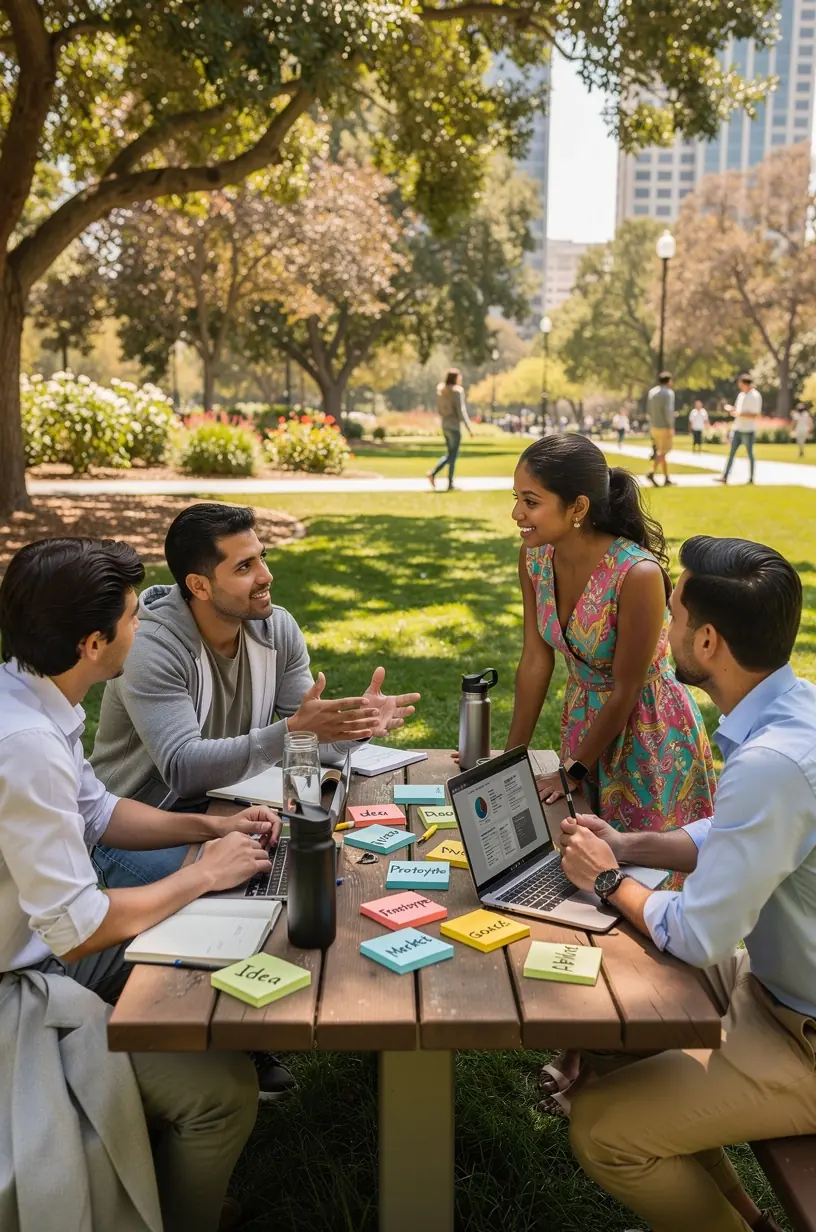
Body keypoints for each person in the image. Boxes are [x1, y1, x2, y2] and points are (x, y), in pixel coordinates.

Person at [0, 538, 282, 1232]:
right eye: (133, 617)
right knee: (222, 1094)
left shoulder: (32, 692)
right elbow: (78, 929)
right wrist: (202, 877)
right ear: (94, 642)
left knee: (233, 909)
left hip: (42, 946)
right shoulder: (26, 745)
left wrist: (207, 833)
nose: (145, 627)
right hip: (21, 987)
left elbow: (97, 811)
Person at [560, 535, 810, 1232]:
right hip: (773, 982)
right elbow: (735, 833)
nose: (663, 628)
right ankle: (742, 1212)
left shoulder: (770, 763)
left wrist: (609, 880)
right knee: (620, 1024)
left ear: (706, 641)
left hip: (800, 1032)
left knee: (600, 1131)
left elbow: (700, 933)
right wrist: (632, 843)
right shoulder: (793, 716)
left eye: (672, 614)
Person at [508, 434, 716, 1115]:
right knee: (583, 886)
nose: (517, 513)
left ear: (576, 507)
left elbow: (628, 688)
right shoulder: (534, 559)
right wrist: (508, 762)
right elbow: (537, 661)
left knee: (637, 891)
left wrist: (571, 771)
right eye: (517, 497)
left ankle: (638, 1052)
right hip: (585, 731)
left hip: (651, 741)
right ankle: (580, 1046)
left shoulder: (637, 574)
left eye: (530, 500)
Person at [92, 501, 420, 889]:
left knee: (314, 872)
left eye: (261, 558)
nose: (266, 575)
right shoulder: (151, 648)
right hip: (131, 827)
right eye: (244, 567)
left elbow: (309, 743)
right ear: (199, 585)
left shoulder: (276, 629)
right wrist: (294, 730)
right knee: (247, 887)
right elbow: (183, 769)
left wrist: (353, 726)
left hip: (226, 808)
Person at [428, 368, 473, 491]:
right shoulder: (457, 391)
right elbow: (461, 410)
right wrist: (469, 427)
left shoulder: (441, 391)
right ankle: (439, 477)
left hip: (445, 425)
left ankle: (444, 480)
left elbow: (439, 410)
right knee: (453, 455)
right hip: (454, 426)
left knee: (450, 454)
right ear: (456, 378)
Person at [716, 373, 761, 484]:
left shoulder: (755, 396)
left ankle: (751, 478)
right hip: (738, 428)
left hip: (748, 430)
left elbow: (754, 414)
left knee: (750, 454)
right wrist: (732, 410)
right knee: (731, 453)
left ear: (746, 384)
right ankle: (725, 476)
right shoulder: (741, 396)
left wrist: (739, 414)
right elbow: (737, 410)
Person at [645, 371, 676, 487]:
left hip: (654, 426)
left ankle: (666, 477)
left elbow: (649, 410)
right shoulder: (668, 393)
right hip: (664, 427)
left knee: (660, 452)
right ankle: (651, 472)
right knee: (664, 451)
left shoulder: (652, 392)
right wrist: (670, 426)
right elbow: (667, 411)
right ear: (668, 381)